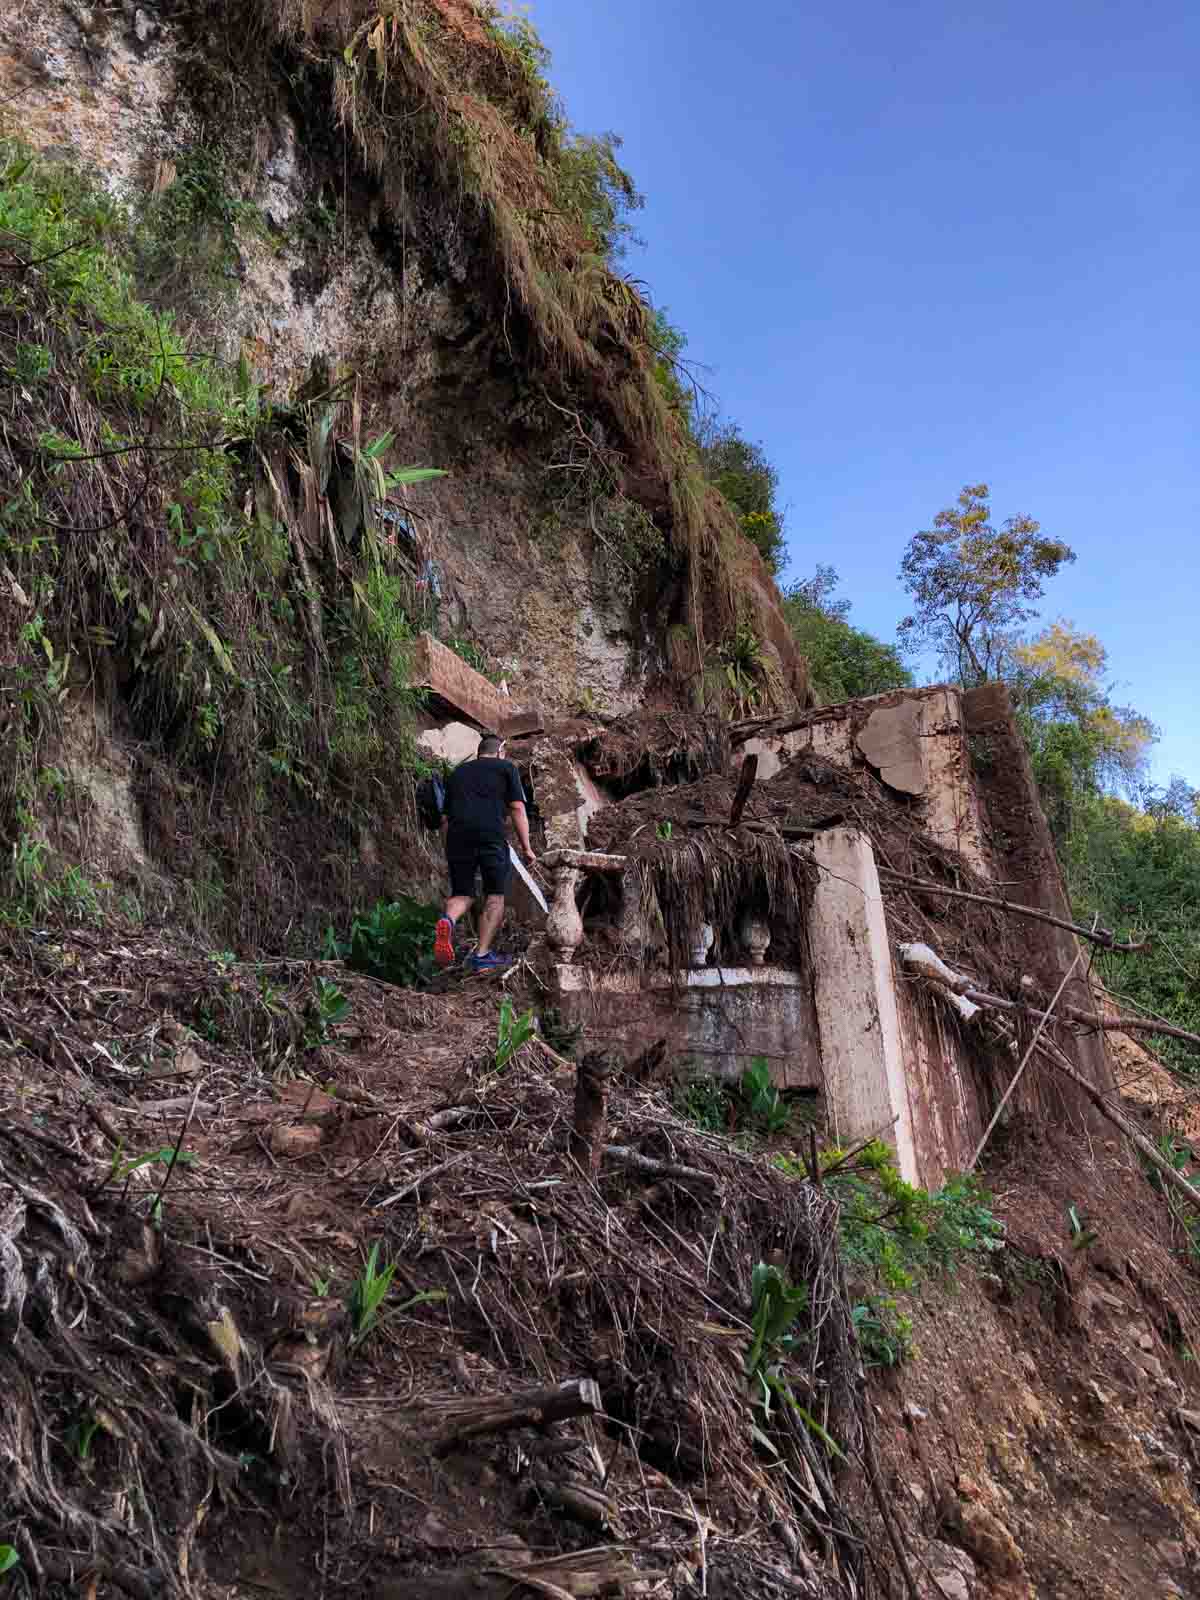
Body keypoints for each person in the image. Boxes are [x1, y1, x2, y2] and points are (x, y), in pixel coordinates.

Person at [433, 735, 534, 972]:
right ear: (501, 750)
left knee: (463, 894)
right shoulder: (506, 768)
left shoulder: (458, 773)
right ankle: (482, 955)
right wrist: (527, 848)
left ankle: (447, 920)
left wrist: (449, 850)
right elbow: (517, 807)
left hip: (458, 837)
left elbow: (445, 819)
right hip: (490, 835)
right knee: (495, 896)